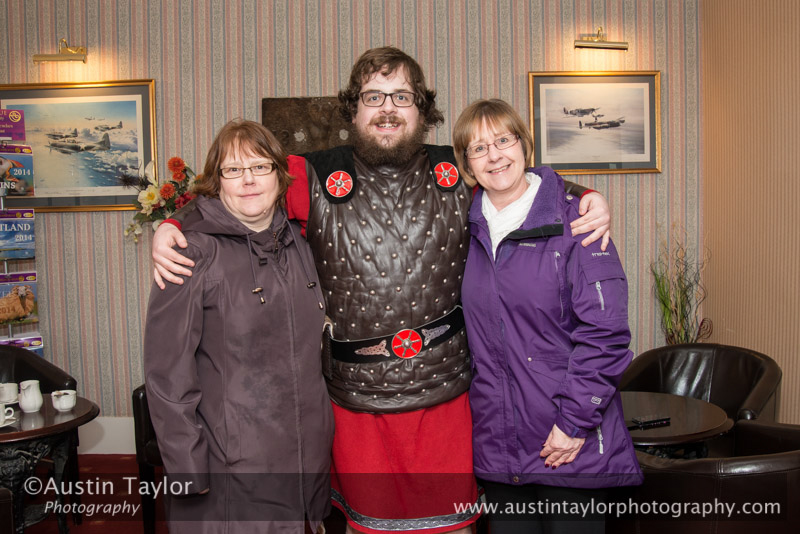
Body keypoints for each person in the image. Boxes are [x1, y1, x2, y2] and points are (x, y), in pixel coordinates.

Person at [150, 47, 611, 534]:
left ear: (422, 109)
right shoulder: (312, 175)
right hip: (356, 405)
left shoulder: (458, 170)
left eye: (401, 97)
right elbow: (241, 190)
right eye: (373, 97)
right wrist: (175, 224)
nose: (387, 108)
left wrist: (583, 196)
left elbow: (518, 184)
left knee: (451, 528)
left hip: (446, 398)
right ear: (353, 110)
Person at [453, 99, 643, 534]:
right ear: (467, 164)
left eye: (503, 140)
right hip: (498, 444)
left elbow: (606, 335)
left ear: (523, 144)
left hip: (569, 440)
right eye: (478, 148)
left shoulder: (576, 221)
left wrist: (573, 424)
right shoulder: (461, 225)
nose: (494, 155)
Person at [143, 119, 333, 534]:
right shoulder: (189, 254)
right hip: (232, 466)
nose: (248, 180)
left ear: (280, 176)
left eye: (260, 167)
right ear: (217, 181)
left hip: (306, 460)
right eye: (233, 169)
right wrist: (187, 469)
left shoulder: (302, 242)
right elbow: (167, 376)